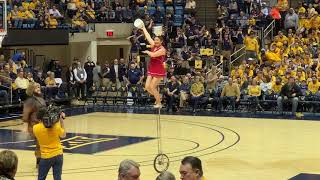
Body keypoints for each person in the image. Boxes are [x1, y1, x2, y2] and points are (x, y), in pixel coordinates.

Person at [33, 107, 66, 180]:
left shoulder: (35, 128)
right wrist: (61, 120)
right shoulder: (55, 126)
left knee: (41, 178)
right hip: (58, 155)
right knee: (57, 178)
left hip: (46, 157)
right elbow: (63, 135)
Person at [139, 25, 166, 108]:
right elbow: (148, 37)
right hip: (152, 68)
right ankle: (158, 96)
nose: (155, 41)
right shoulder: (154, 45)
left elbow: (153, 55)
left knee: (152, 87)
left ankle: (159, 103)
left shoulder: (162, 50)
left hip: (158, 69)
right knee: (147, 87)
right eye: (155, 40)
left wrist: (147, 51)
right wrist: (143, 28)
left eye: (157, 40)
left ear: (161, 41)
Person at [22, 82, 46, 168]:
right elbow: (25, 115)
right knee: (39, 144)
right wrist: (25, 127)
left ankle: (41, 161)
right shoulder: (30, 101)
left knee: (42, 144)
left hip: (42, 124)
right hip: (34, 125)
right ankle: (39, 163)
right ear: (32, 90)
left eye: (39, 87)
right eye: (36, 88)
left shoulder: (41, 98)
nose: (39, 89)